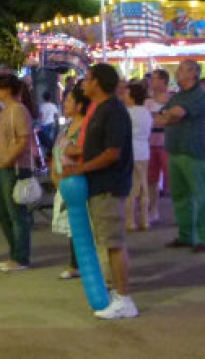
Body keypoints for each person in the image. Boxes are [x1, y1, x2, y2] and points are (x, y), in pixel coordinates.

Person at [63, 63, 137, 320]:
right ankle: (117, 294)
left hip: (110, 184)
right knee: (107, 243)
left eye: (87, 78)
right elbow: (99, 148)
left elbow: (112, 153)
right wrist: (78, 154)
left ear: (97, 83)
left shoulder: (113, 111)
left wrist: (81, 168)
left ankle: (124, 298)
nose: (83, 83)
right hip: (99, 184)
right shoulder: (101, 110)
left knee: (114, 244)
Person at [154, 59, 205, 252]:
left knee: (200, 195)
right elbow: (161, 117)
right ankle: (186, 235)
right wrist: (169, 116)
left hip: (192, 151)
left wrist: (170, 116)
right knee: (180, 196)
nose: (177, 73)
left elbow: (177, 113)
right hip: (175, 149)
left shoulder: (198, 95)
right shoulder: (180, 95)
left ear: (193, 74)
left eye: (181, 70)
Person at [0, 74, 38, 272]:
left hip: (14, 167)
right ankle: (15, 253)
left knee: (16, 214)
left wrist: (8, 158)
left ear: (6, 90)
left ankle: (20, 257)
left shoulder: (17, 110)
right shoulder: (6, 111)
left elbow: (23, 139)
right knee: (3, 213)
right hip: (3, 167)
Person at [53, 83, 92, 280]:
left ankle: (82, 264)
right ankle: (75, 263)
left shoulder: (87, 125)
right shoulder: (66, 126)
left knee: (83, 224)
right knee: (71, 225)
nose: (64, 103)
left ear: (79, 105)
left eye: (69, 100)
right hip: (64, 181)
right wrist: (55, 175)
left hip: (80, 180)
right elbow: (57, 150)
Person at [123, 81, 153, 232]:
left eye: (126, 94)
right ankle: (145, 220)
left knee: (131, 188)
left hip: (131, 151)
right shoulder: (146, 112)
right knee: (143, 185)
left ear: (132, 97)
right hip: (144, 151)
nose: (124, 97)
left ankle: (130, 221)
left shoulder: (128, 113)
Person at [144, 69, 172, 224]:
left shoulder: (171, 99)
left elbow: (168, 119)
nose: (151, 82)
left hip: (166, 142)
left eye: (154, 79)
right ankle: (153, 209)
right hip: (150, 142)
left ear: (163, 81)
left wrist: (158, 118)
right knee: (151, 178)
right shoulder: (147, 101)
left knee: (171, 177)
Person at [37, 90, 60, 161]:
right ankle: (51, 155)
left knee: (45, 140)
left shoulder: (42, 106)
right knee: (51, 139)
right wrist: (56, 121)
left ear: (44, 98)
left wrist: (39, 124)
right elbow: (56, 115)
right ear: (50, 98)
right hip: (52, 123)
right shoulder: (53, 105)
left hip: (44, 125)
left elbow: (40, 116)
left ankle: (47, 155)